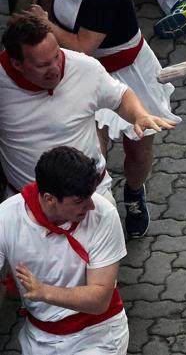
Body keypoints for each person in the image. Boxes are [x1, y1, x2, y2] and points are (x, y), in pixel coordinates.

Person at [23, 0, 181, 238]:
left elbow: (82, 45)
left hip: (127, 71)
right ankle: (91, 210)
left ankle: (135, 193)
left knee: (137, 146)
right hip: (83, 76)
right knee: (90, 150)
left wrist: (45, 24)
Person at [0, 15, 176, 210]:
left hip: (92, 197)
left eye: (57, 56)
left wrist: (139, 115)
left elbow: (120, 96)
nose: (55, 69)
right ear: (16, 64)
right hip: (27, 206)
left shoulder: (84, 67)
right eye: (43, 65)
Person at [0, 146, 128, 354]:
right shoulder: (6, 217)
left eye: (90, 196)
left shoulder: (104, 215)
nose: (91, 206)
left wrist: (44, 292)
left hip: (98, 334)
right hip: (39, 338)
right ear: (49, 198)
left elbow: (100, 299)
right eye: (79, 201)